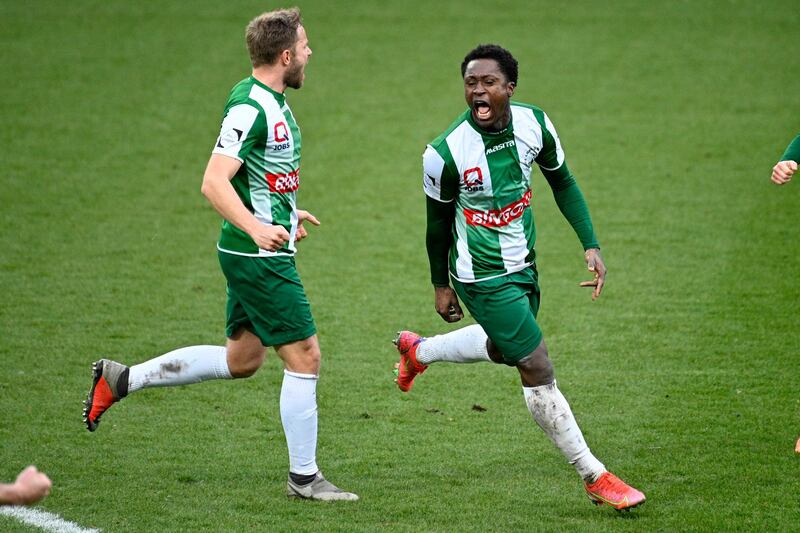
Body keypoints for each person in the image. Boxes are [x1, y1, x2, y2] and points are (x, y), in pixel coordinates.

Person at [82, 8, 357, 501]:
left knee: (243, 358)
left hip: (253, 250)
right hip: (257, 258)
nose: (311, 53)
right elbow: (213, 181)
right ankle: (304, 479)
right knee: (305, 357)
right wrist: (257, 228)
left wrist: (285, 213)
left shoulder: (265, 98)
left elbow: (258, 174)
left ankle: (122, 380)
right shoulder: (252, 107)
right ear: (286, 55)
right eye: (306, 46)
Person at [393, 44, 645, 511]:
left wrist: (589, 243)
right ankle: (595, 476)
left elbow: (563, 181)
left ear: (509, 88)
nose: (478, 91)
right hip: (480, 275)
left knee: (503, 349)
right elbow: (437, 225)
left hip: (524, 264)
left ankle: (419, 351)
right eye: (471, 82)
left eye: (489, 82)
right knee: (535, 362)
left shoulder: (535, 124)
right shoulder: (445, 153)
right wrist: (441, 283)